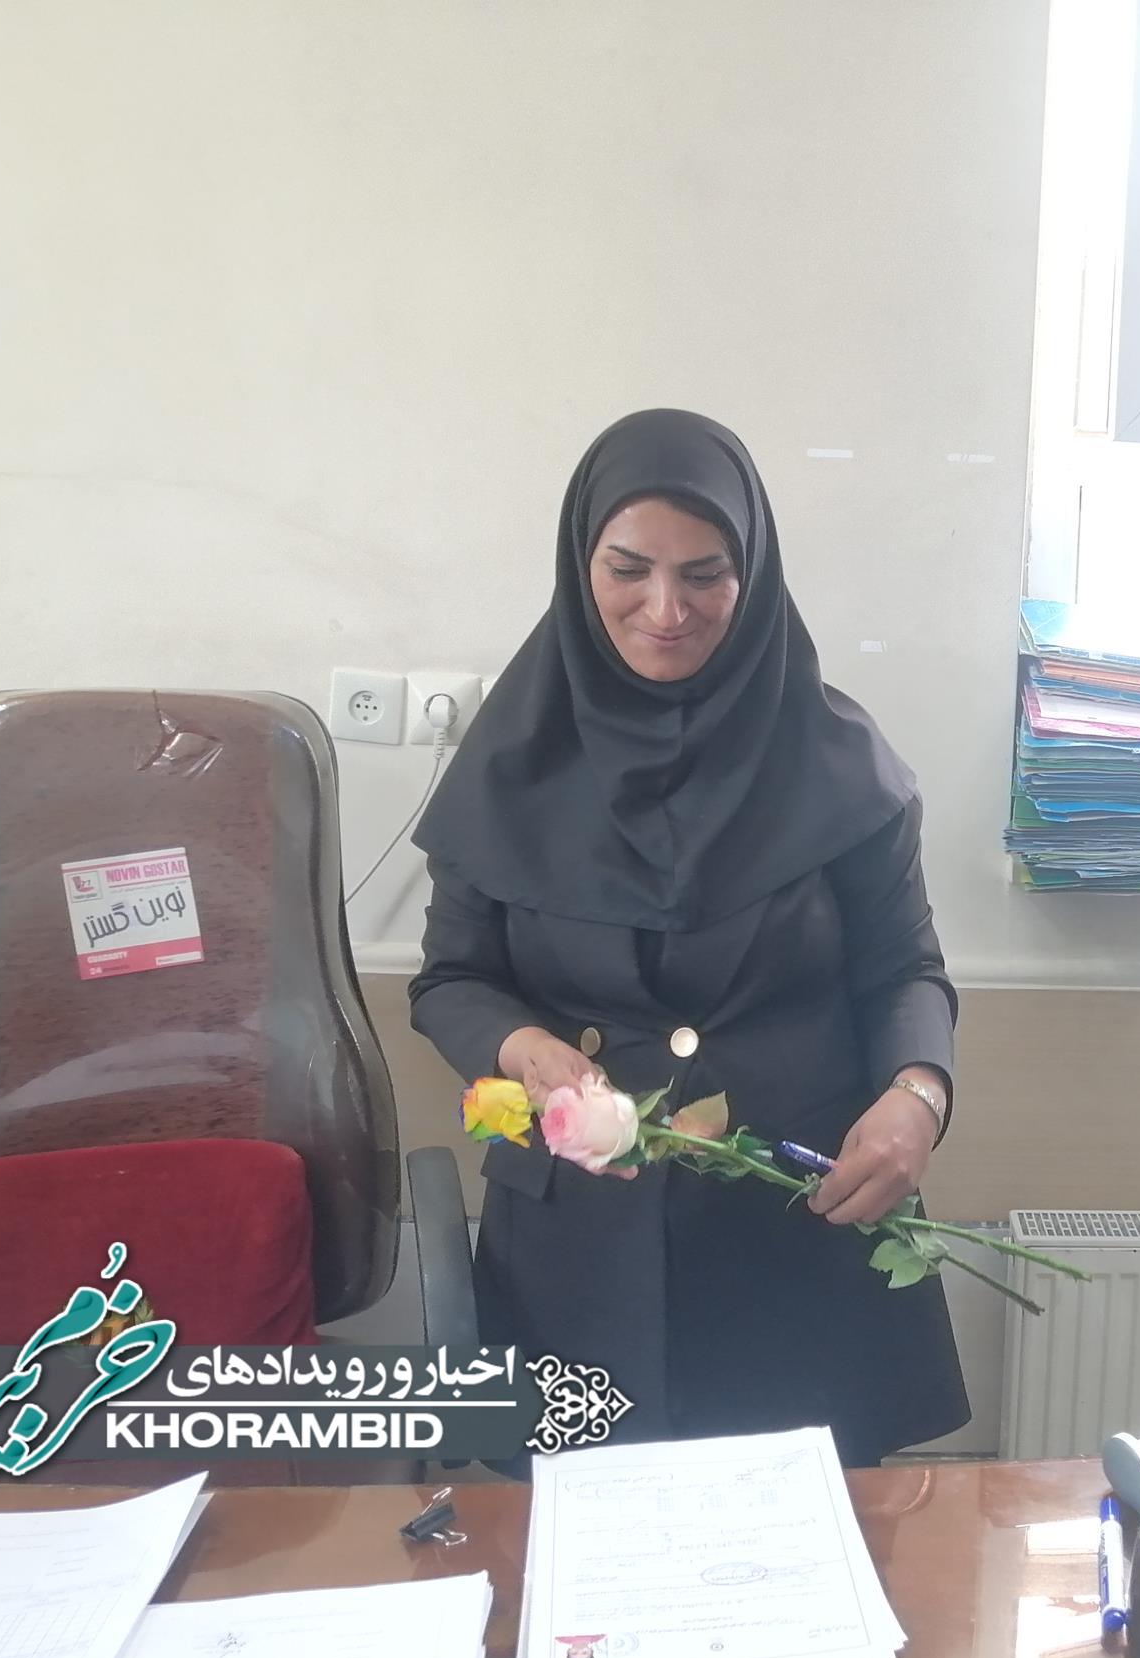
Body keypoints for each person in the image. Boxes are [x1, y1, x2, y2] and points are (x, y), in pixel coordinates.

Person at [408, 408, 967, 1467]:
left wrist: (917, 1097)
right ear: (581, 566)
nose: (665, 610)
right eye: (629, 569)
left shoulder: (841, 763)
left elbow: (907, 971)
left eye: (705, 575)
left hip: (797, 1231)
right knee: (577, 1551)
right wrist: (522, 1049)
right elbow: (451, 982)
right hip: (577, 1242)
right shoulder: (507, 764)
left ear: (753, 575)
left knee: (808, 1548)